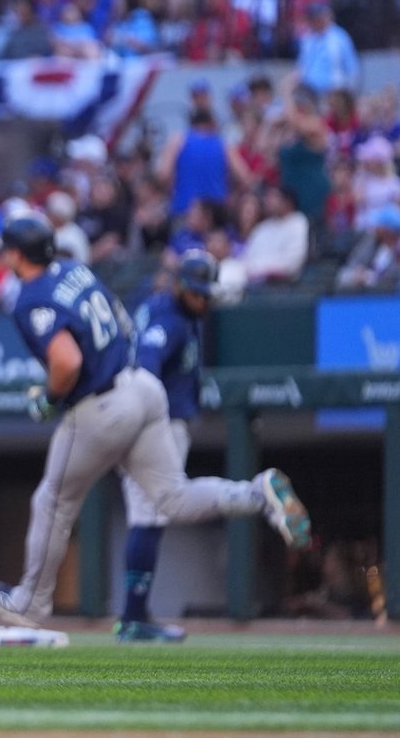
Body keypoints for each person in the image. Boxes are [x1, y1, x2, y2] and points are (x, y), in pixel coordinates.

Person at [0, 214, 312, 629]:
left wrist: (49, 397)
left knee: (53, 502)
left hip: (100, 405)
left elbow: (67, 361)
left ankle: (30, 602)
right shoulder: (75, 270)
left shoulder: (30, 297)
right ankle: (258, 493)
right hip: (142, 388)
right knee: (172, 497)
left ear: (14, 253)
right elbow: (118, 321)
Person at [115, 251, 219, 643]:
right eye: (196, 292)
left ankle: (135, 615)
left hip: (148, 422)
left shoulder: (170, 311)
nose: (202, 300)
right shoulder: (171, 319)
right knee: (152, 513)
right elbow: (147, 363)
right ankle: (133, 617)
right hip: (156, 424)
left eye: (205, 293)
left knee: (149, 515)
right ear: (179, 285)